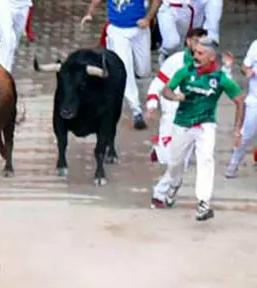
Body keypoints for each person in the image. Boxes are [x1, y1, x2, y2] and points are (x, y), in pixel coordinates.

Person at [149, 37, 244, 221]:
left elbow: (239, 100)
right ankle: (174, 184)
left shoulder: (220, 78)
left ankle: (203, 203)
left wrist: (237, 129)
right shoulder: (185, 72)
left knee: (206, 159)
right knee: (175, 163)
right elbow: (166, 90)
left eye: (200, 54)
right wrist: (176, 97)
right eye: (195, 52)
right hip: (182, 124)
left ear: (211, 57)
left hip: (205, 124)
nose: (195, 56)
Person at [82, 0, 162, 131]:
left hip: (139, 30)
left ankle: (134, 79)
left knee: (144, 71)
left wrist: (148, 18)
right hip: (117, 31)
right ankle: (136, 111)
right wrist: (90, 13)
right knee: (125, 70)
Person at [146, 27, 208, 167]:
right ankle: (159, 149)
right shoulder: (174, 61)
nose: (200, 45)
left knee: (181, 162)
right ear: (188, 42)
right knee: (166, 159)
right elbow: (159, 82)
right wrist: (152, 103)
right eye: (196, 41)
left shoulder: (208, 63)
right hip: (172, 109)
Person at [225, 37, 257, 179]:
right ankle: (233, 165)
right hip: (255, 100)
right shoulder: (256, 45)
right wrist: (248, 72)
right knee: (246, 134)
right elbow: (245, 66)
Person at [154, 0, 202, 65]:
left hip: (188, 9)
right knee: (172, 42)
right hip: (168, 8)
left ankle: (175, 67)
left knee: (182, 46)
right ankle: (164, 53)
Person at [0, 0, 32, 73]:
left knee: (14, 43)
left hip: (23, 4)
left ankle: (6, 74)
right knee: (7, 40)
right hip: (2, 2)